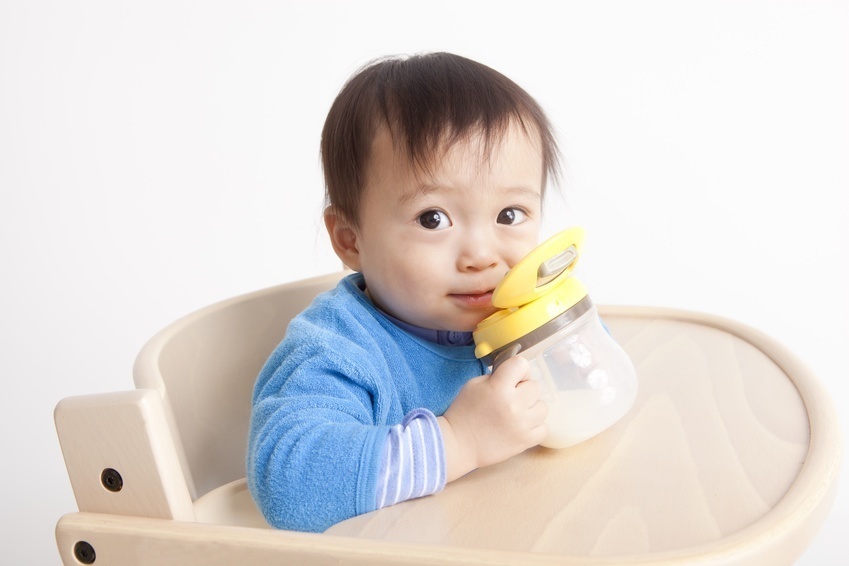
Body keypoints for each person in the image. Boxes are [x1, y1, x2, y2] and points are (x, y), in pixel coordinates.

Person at [247, 52, 561, 533]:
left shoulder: (525, 310)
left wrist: (564, 332)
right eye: (432, 218)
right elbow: (288, 485)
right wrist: (458, 442)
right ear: (350, 239)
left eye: (510, 215)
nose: (481, 255)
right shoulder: (338, 349)